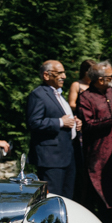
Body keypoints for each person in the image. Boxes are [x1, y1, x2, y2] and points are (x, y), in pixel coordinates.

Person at [77, 62, 112, 223]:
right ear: (100, 80)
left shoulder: (110, 93)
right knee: (97, 190)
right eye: (109, 77)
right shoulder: (86, 97)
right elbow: (88, 125)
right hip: (97, 153)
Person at [26, 60, 81, 199]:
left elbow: (64, 118)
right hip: (51, 158)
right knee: (53, 198)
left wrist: (75, 123)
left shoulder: (59, 94)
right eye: (60, 73)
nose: (64, 76)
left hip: (67, 154)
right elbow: (34, 122)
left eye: (64, 72)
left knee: (67, 198)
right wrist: (60, 122)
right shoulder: (38, 94)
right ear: (46, 75)